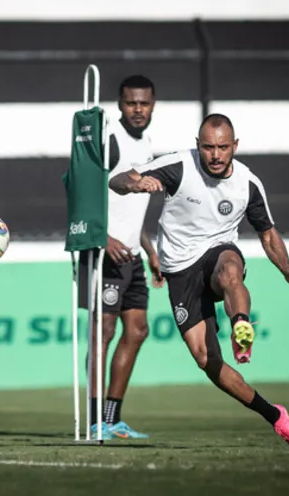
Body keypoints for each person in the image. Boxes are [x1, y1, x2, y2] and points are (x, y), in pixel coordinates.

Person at [107, 113, 289, 446]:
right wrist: (134, 184)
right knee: (207, 361)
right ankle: (277, 417)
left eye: (222, 147)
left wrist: (287, 269)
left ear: (234, 146)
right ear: (197, 146)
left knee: (230, 268)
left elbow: (268, 233)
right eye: (207, 147)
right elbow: (115, 180)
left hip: (218, 253)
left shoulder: (247, 183)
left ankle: (240, 325)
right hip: (180, 271)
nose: (215, 155)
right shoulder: (177, 166)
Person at [79, 75, 164, 440]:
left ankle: (112, 418)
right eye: (131, 103)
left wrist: (149, 248)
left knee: (138, 330)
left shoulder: (146, 141)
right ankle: (95, 419)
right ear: (119, 104)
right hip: (103, 252)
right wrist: (104, 238)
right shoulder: (107, 138)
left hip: (132, 253)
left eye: (144, 103)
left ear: (154, 104)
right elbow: (87, 191)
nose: (138, 109)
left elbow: (131, 207)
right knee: (105, 331)